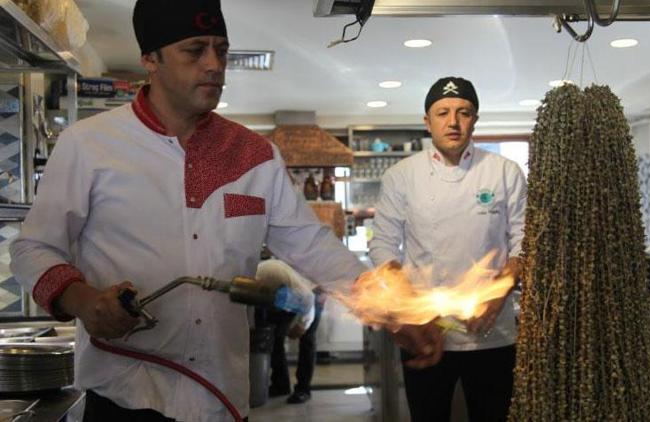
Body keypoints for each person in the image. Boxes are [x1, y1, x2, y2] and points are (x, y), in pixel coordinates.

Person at [8, 1, 373, 420]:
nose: (215, 64)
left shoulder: (255, 155)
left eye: (222, 49)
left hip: (220, 399)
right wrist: (85, 301)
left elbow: (311, 245)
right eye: (195, 50)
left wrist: (384, 297)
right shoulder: (89, 145)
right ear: (151, 59)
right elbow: (33, 249)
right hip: (124, 398)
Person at [369, 76, 527, 422]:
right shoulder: (402, 176)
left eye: (464, 112)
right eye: (442, 112)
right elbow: (382, 244)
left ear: (475, 119)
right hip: (426, 332)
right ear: (427, 121)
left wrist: (501, 291)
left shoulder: (505, 172)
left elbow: (524, 241)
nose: (453, 122)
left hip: (492, 334)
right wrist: (413, 304)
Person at [257, 259, 324, 404]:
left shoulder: (270, 272)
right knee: (274, 338)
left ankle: (303, 389)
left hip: (311, 291)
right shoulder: (257, 275)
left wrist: (302, 325)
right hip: (286, 293)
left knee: (307, 339)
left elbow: (308, 299)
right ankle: (280, 385)